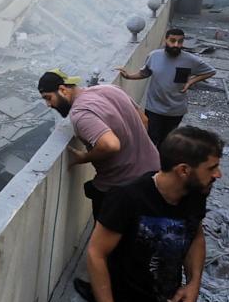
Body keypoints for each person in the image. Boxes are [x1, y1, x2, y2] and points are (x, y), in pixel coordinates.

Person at [87, 126, 229, 302]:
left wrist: (194, 282)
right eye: (212, 167)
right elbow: (95, 254)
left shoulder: (195, 194)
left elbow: (194, 233)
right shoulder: (127, 198)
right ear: (183, 170)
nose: (218, 174)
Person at [37, 69, 159, 220]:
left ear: (62, 90)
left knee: (106, 240)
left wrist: (84, 157)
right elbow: (144, 120)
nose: (48, 104)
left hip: (121, 188)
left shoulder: (80, 114)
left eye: (48, 98)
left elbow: (110, 145)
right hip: (153, 173)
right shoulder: (110, 89)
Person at [117, 28, 216, 147]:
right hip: (154, 108)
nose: (176, 45)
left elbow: (211, 71)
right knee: (151, 139)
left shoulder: (190, 60)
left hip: (176, 110)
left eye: (180, 41)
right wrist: (128, 76)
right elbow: (145, 73)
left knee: (167, 142)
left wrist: (191, 81)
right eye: (172, 40)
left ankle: (162, 164)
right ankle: (152, 164)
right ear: (165, 39)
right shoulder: (154, 56)